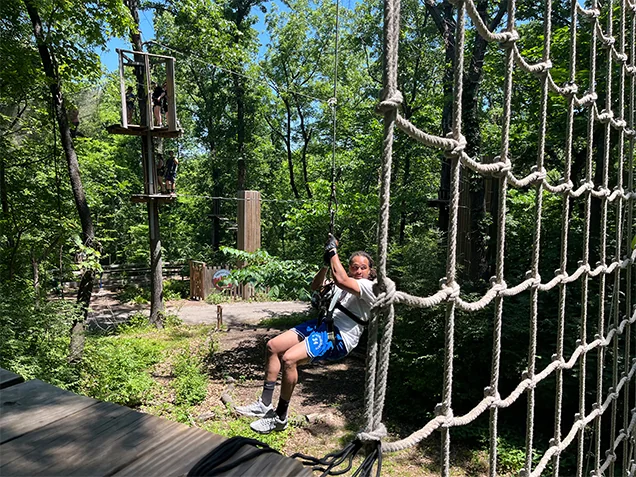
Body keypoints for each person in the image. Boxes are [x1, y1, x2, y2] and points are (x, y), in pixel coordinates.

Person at [235, 235, 377, 434]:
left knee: (289, 359)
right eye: (354, 267)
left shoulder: (369, 287)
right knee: (273, 346)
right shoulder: (344, 280)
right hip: (323, 325)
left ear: (370, 271)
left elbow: (342, 279)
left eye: (363, 267)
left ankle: (280, 417)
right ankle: (264, 403)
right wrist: (327, 264)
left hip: (339, 337)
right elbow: (316, 286)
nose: (359, 271)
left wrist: (333, 252)